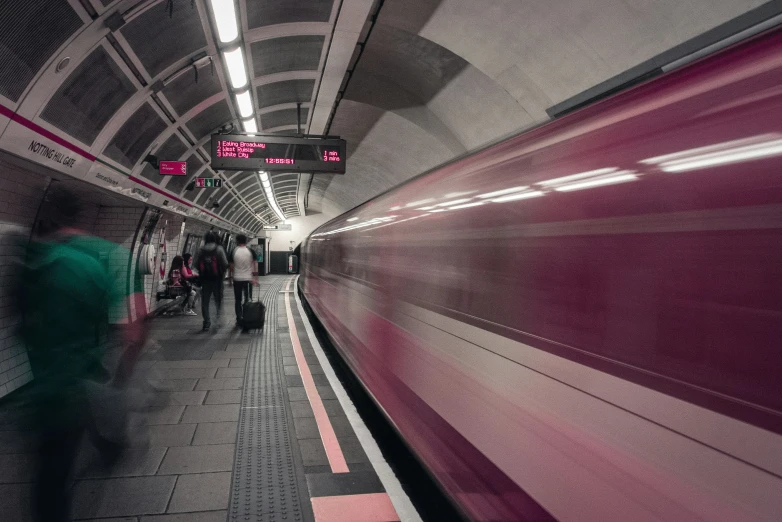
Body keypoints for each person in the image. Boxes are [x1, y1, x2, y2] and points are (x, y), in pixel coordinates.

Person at [18, 185, 148, 522]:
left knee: (51, 472)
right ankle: (110, 446)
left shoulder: (34, 261)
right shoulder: (105, 258)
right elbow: (129, 324)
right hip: (84, 373)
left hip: (46, 382)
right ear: (82, 217)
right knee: (70, 454)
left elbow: (26, 322)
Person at [195, 231, 228, 331]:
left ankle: (206, 323)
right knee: (218, 301)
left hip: (205, 280)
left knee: (205, 302)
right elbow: (225, 263)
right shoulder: (219, 249)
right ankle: (217, 320)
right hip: (217, 280)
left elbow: (196, 265)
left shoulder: (201, 250)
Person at [229, 234, 258, 326]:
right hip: (248, 279)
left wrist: (231, 278)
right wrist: (255, 279)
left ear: (237, 241)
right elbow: (255, 265)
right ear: (246, 241)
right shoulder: (250, 251)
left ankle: (239, 318)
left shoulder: (233, 251)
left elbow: (231, 266)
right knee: (247, 298)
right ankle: (246, 317)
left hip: (237, 279)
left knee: (238, 300)